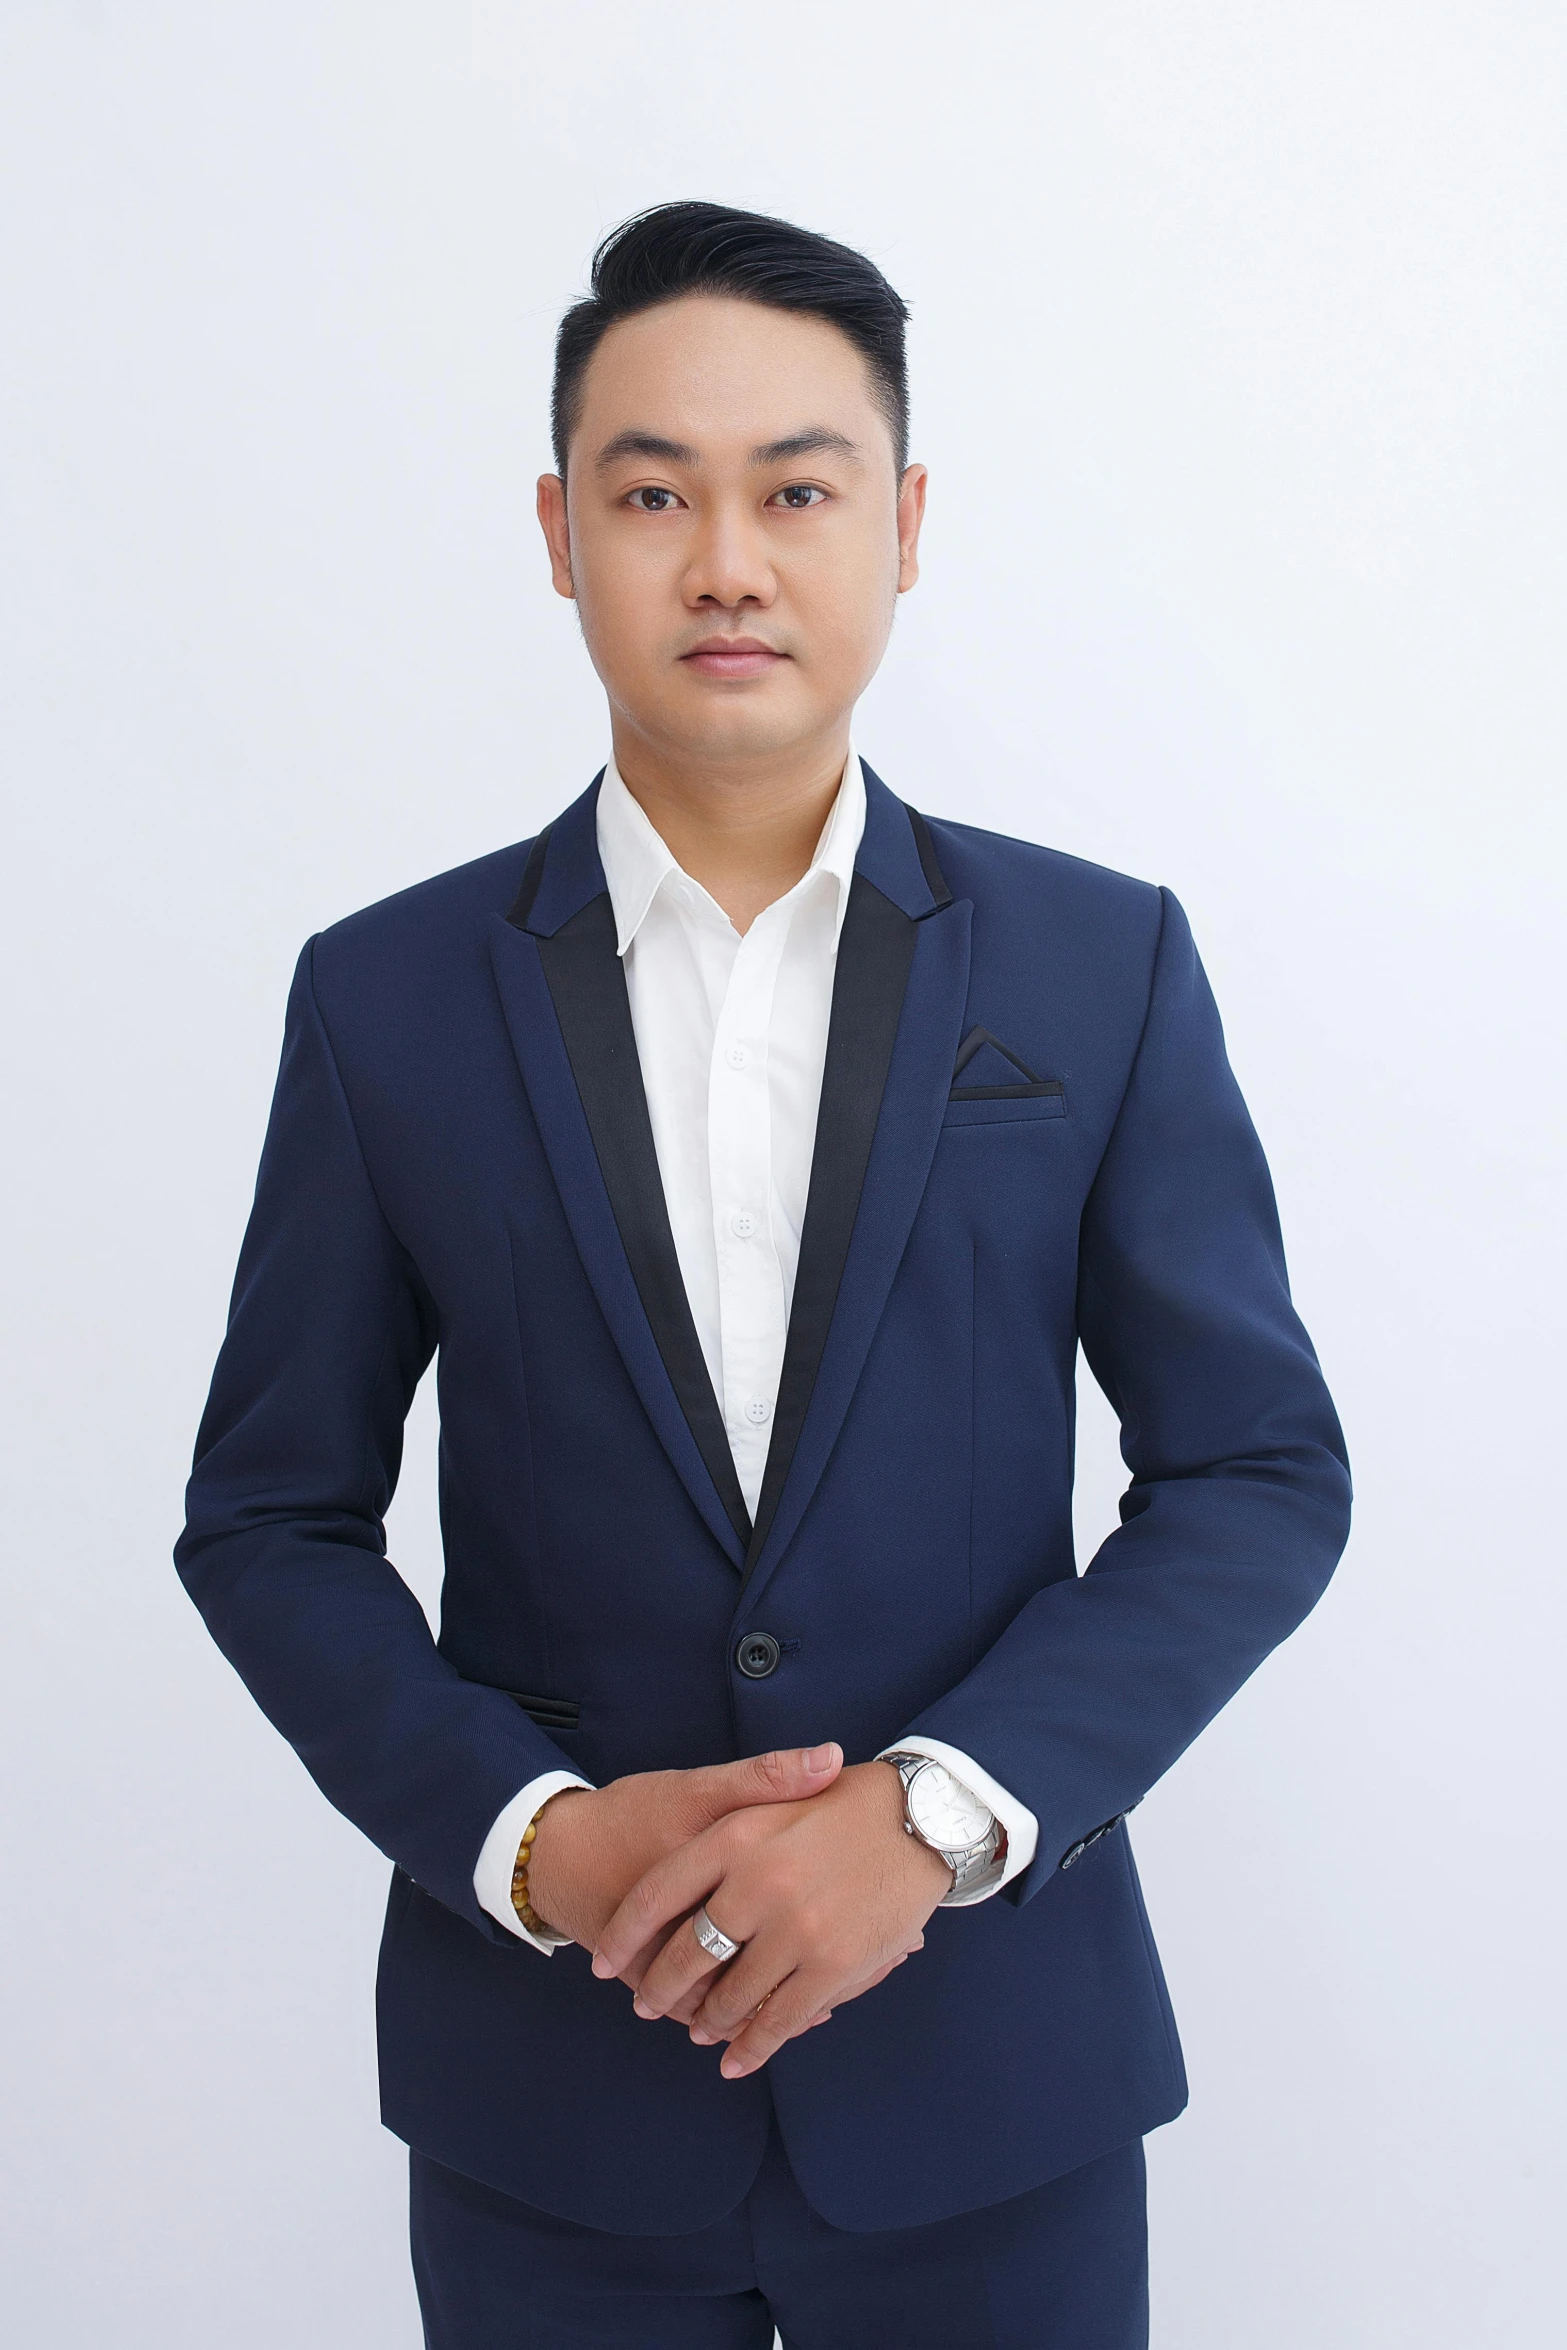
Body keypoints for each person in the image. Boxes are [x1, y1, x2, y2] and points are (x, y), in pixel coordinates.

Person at [176, 201, 1351, 2348]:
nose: (728, 557)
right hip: (555, 2104)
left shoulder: (1100, 966)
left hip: (996, 2087)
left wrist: (933, 1815)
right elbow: (269, 1517)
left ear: (900, 524)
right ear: (558, 530)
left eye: (797, 489)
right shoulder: (386, 998)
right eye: (654, 491)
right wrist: (535, 1836)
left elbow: (1259, 1468)